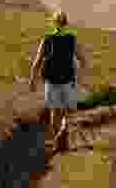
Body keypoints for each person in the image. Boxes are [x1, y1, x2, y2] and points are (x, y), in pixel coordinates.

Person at [29, 11, 87, 152]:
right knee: (67, 112)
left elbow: (37, 61)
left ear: (53, 23)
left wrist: (32, 79)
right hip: (68, 81)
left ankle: (56, 142)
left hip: (51, 81)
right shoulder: (72, 39)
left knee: (54, 112)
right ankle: (64, 129)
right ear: (66, 23)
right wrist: (80, 76)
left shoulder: (47, 39)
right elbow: (82, 59)